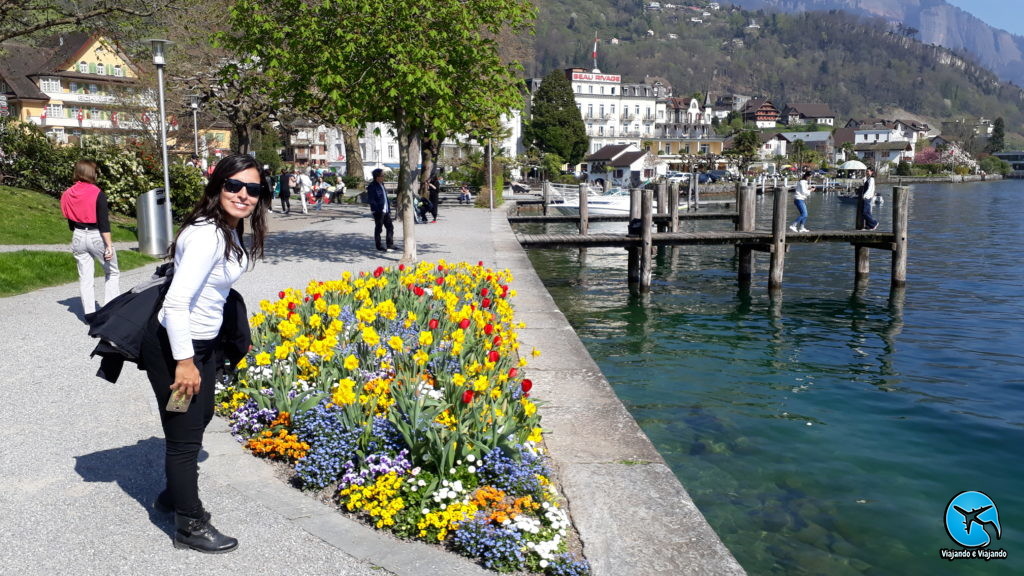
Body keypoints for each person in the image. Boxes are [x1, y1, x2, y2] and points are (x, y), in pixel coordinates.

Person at [143, 153, 267, 553]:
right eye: (234, 185)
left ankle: (173, 495)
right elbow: (177, 304)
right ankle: (189, 523)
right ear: (218, 186)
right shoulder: (207, 235)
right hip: (177, 348)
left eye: (253, 189)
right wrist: (184, 362)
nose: (243, 195)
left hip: (204, 346)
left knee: (200, 418)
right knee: (183, 436)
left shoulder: (227, 229)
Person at [59, 159, 119, 321]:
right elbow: (103, 222)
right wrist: (109, 245)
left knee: (85, 276)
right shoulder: (97, 193)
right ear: (91, 173)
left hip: (78, 235)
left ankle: (90, 314)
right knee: (112, 272)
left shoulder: (67, 193)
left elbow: (70, 219)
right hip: (96, 235)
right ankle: (109, 311)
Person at [367, 168, 395, 251]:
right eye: (382, 175)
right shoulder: (372, 186)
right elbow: (371, 200)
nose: (384, 177)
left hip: (385, 211)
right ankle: (378, 246)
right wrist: (376, 210)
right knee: (379, 229)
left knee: (390, 227)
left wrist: (388, 209)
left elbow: (385, 198)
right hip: (379, 211)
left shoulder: (382, 184)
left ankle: (390, 244)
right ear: (377, 177)